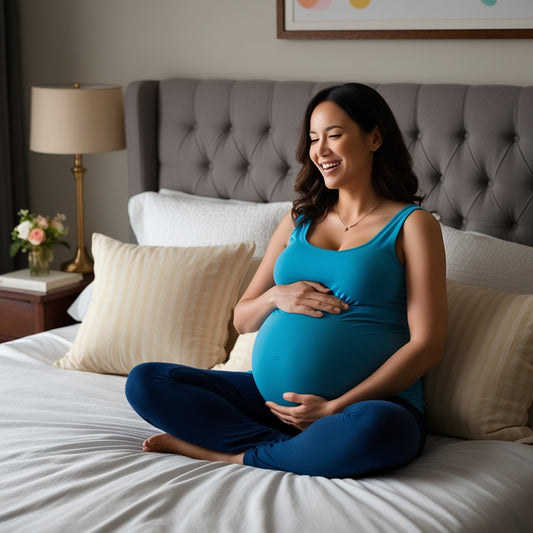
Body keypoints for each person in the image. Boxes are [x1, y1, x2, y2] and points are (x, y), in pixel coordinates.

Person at [125, 83, 447, 478]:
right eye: (313, 138)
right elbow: (242, 320)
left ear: (374, 137)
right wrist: (275, 296)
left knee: (374, 431)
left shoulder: (413, 225)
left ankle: (229, 455)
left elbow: (427, 345)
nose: (321, 150)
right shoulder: (298, 219)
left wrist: (334, 407)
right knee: (147, 381)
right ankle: (294, 449)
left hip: (367, 408)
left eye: (334, 135)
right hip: (272, 405)